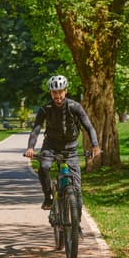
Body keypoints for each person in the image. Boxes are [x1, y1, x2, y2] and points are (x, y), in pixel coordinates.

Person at [25, 75, 100, 212]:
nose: (57, 95)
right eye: (54, 92)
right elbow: (36, 130)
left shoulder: (75, 107)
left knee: (77, 189)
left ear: (65, 91)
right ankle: (48, 196)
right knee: (44, 167)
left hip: (70, 148)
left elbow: (89, 127)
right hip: (51, 146)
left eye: (60, 92)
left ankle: (76, 225)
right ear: (50, 93)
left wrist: (95, 145)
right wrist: (30, 147)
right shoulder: (45, 109)